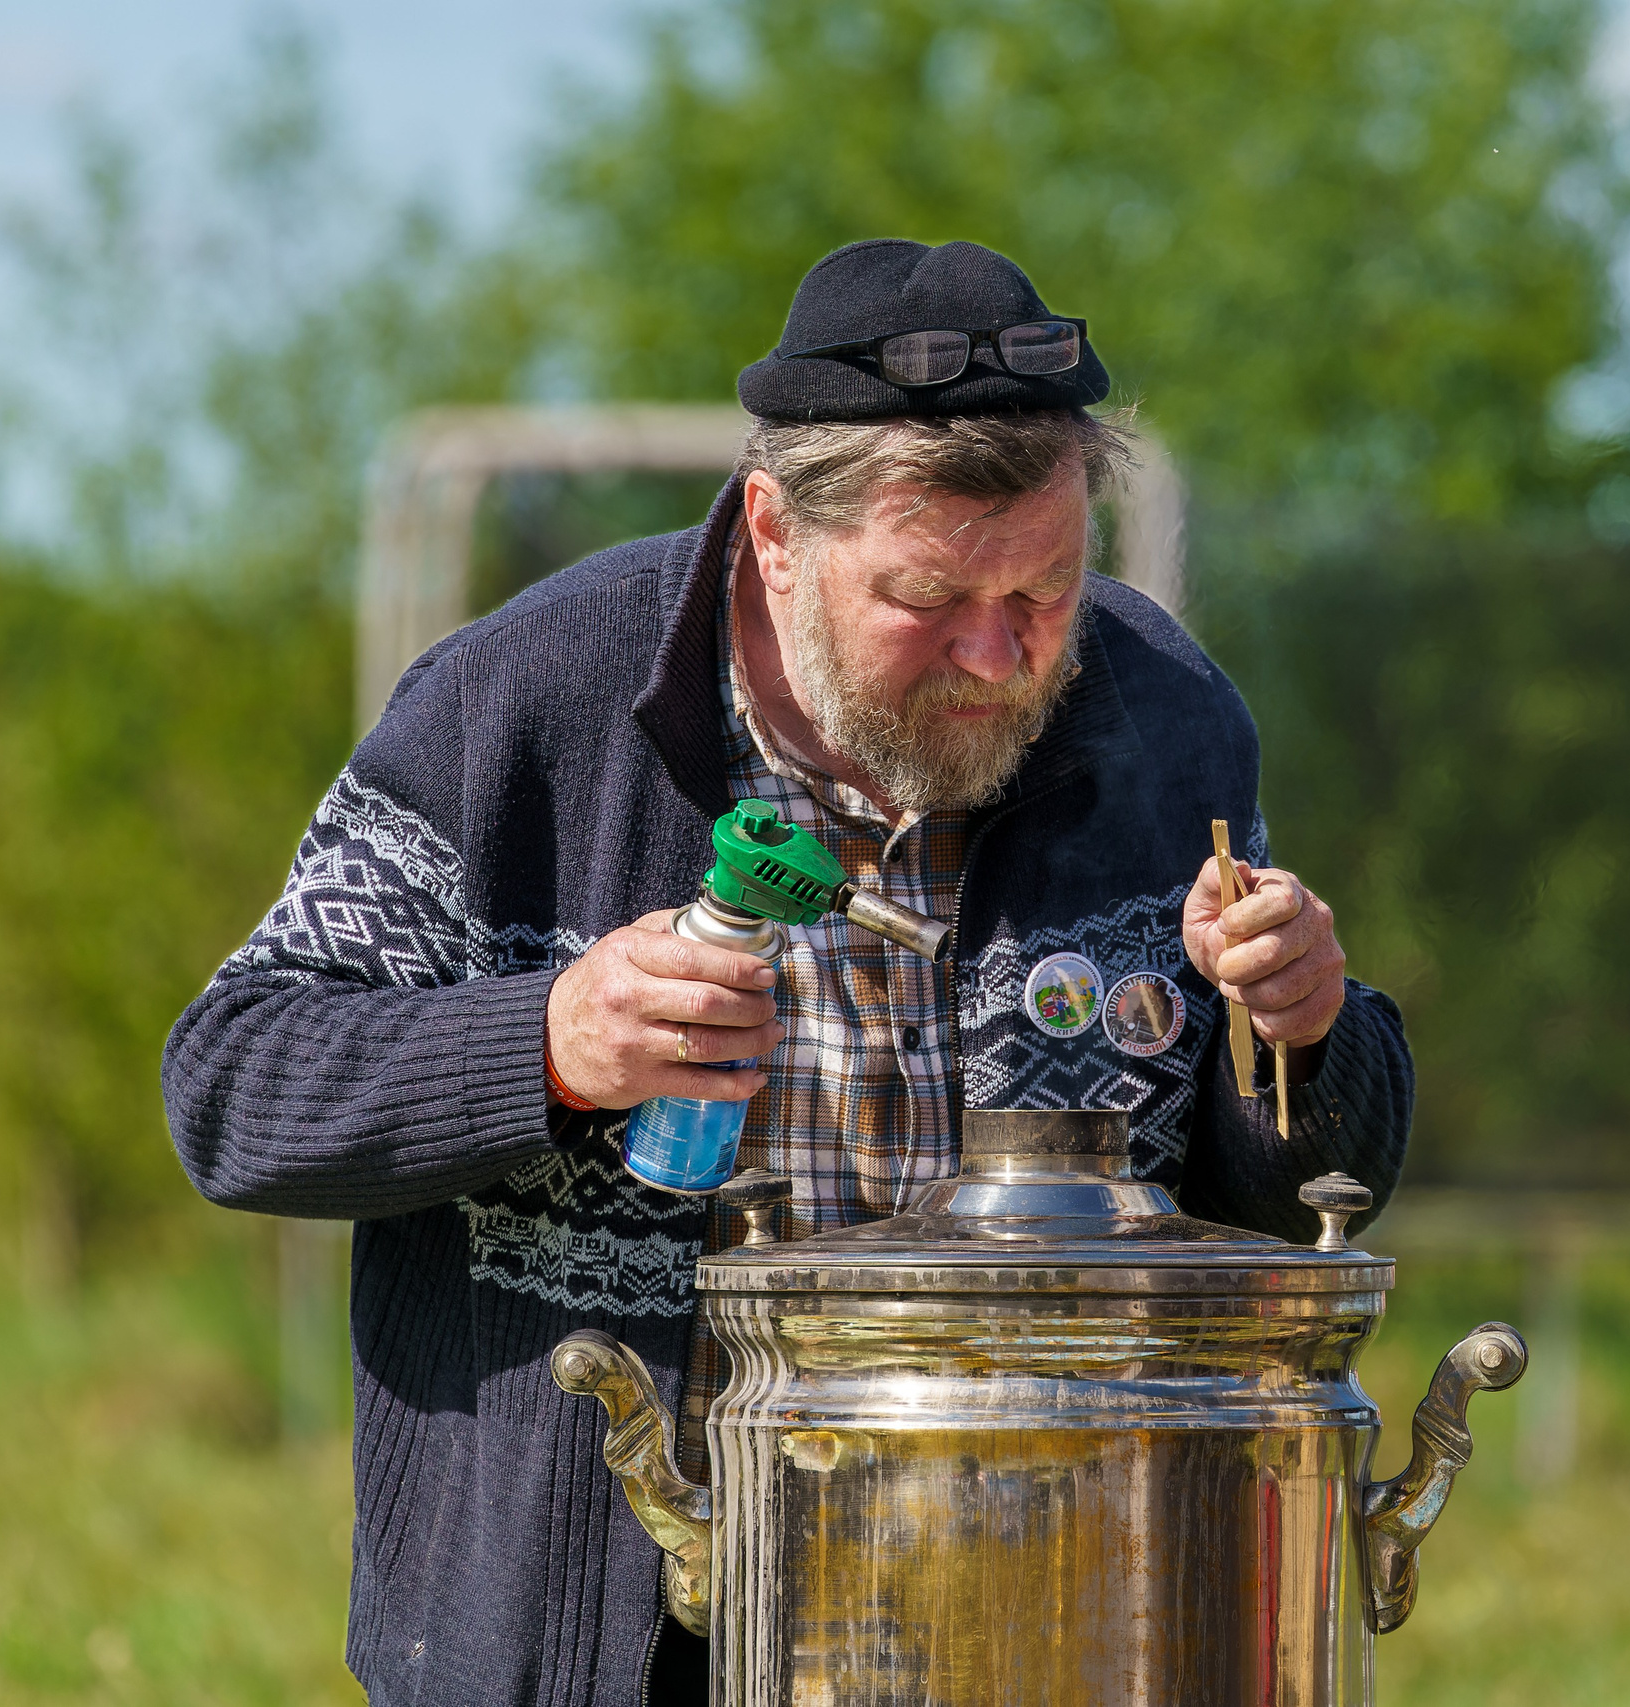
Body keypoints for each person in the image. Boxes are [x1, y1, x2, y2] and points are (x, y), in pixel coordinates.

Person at [163, 238, 1415, 1706]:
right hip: (621, 1636)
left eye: (1048, 592)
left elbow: (1292, 1183)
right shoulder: (523, 706)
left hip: (1051, 1615)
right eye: (929, 597)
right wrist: (550, 1044)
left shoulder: (1163, 708)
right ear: (773, 529)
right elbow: (235, 1087)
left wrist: (1304, 1028)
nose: (1001, 657)